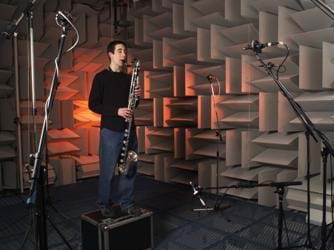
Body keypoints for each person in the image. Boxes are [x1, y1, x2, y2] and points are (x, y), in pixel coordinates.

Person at [88, 40, 141, 217]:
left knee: (129, 168)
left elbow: (132, 106)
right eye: (119, 51)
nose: (124, 55)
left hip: (130, 129)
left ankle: (127, 203)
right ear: (110, 54)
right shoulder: (101, 78)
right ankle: (104, 203)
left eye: (125, 51)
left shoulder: (129, 78)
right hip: (111, 131)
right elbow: (93, 105)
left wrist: (137, 97)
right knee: (108, 170)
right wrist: (116, 111)